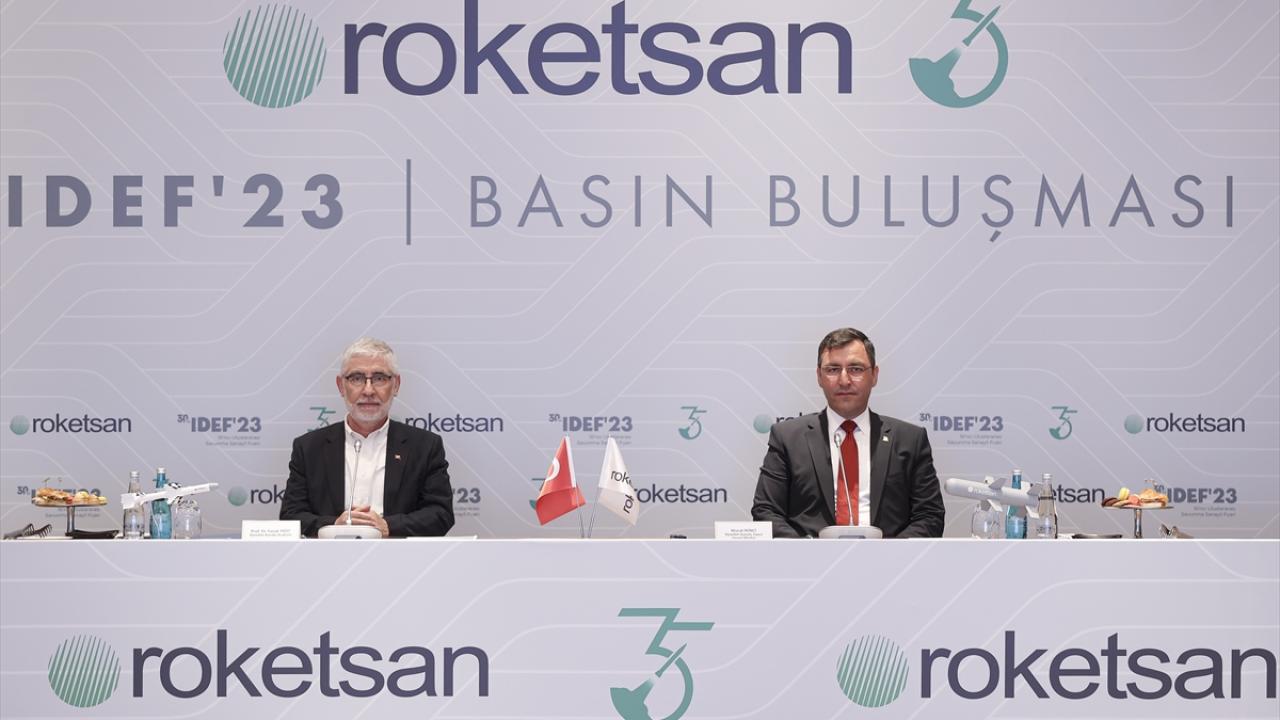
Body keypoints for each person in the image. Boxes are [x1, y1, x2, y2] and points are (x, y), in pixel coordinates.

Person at [752, 328, 944, 538]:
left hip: (889, 557)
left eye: (856, 369)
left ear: (874, 375)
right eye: (833, 369)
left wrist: (890, 553)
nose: (844, 380)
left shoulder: (910, 440)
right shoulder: (788, 438)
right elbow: (766, 511)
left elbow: (930, 516)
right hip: (809, 556)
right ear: (819, 376)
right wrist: (806, 550)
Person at [281, 337, 454, 537]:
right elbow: (290, 516)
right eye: (357, 378)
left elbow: (440, 514)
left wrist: (388, 526)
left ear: (396, 385)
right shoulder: (309, 448)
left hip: (398, 553)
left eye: (379, 378)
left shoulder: (425, 446)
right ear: (341, 386)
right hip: (329, 554)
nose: (368, 390)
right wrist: (333, 526)